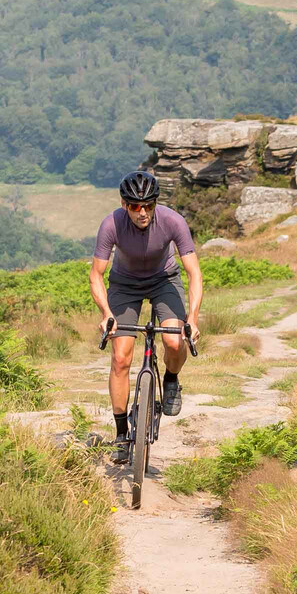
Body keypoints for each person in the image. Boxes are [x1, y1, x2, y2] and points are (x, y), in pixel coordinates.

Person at [90, 170, 203, 463]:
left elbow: (194, 272)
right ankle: (120, 433)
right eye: (135, 206)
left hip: (164, 280)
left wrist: (193, 317)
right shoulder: (111, 224)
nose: (142, 212)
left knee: (175, 343)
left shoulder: (172, 221)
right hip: (125, 284)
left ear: (156, 204)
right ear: (124, 204)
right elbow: (96, 275)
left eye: (149, 205)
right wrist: (106, 314)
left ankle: (172, 379)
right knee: (121, 357)